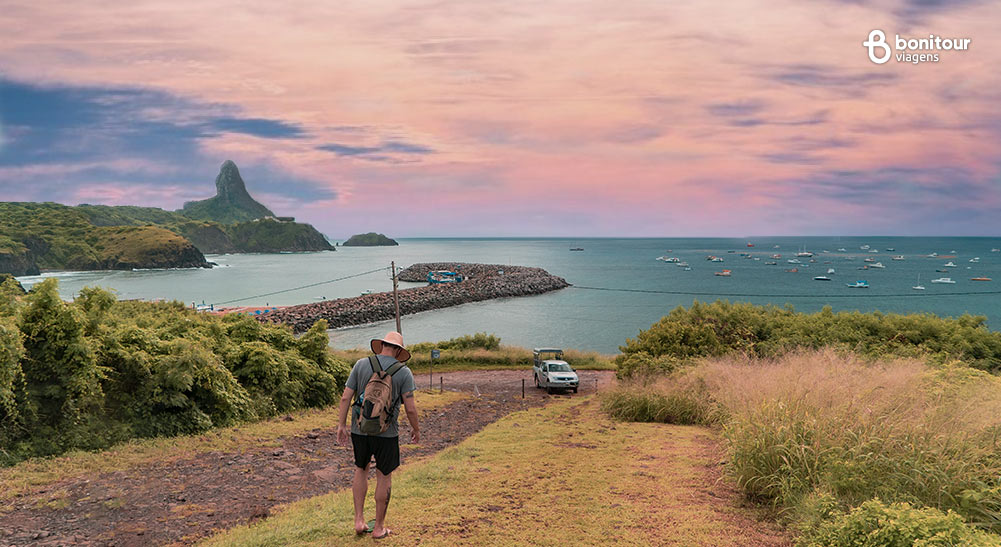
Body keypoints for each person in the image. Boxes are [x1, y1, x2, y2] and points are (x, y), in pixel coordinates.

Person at [337, 331, 419, 539]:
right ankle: (378, 527)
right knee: (384, 476)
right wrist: (416, 429)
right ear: (399, 350)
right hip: (387, 433)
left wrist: (341, 425)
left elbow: (346, 398)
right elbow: (410, 409)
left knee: (360, 469)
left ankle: (358, 521)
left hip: (359, 429)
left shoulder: (361, 364)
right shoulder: (404, 372)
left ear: (381, 345)